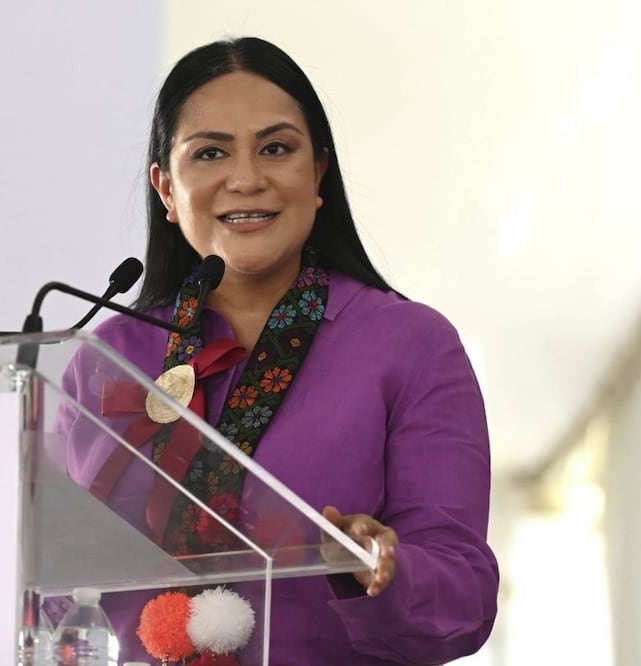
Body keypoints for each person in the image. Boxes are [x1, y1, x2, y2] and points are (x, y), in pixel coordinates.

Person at [56, 36, 498, 664]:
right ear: (166, 189)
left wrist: (378, 569)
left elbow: (464, 602)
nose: (246, 178)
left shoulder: (410, 345)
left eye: (276, 148)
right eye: (210, 153)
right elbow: (49, 588)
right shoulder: (104, 359)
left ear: (317, 173)